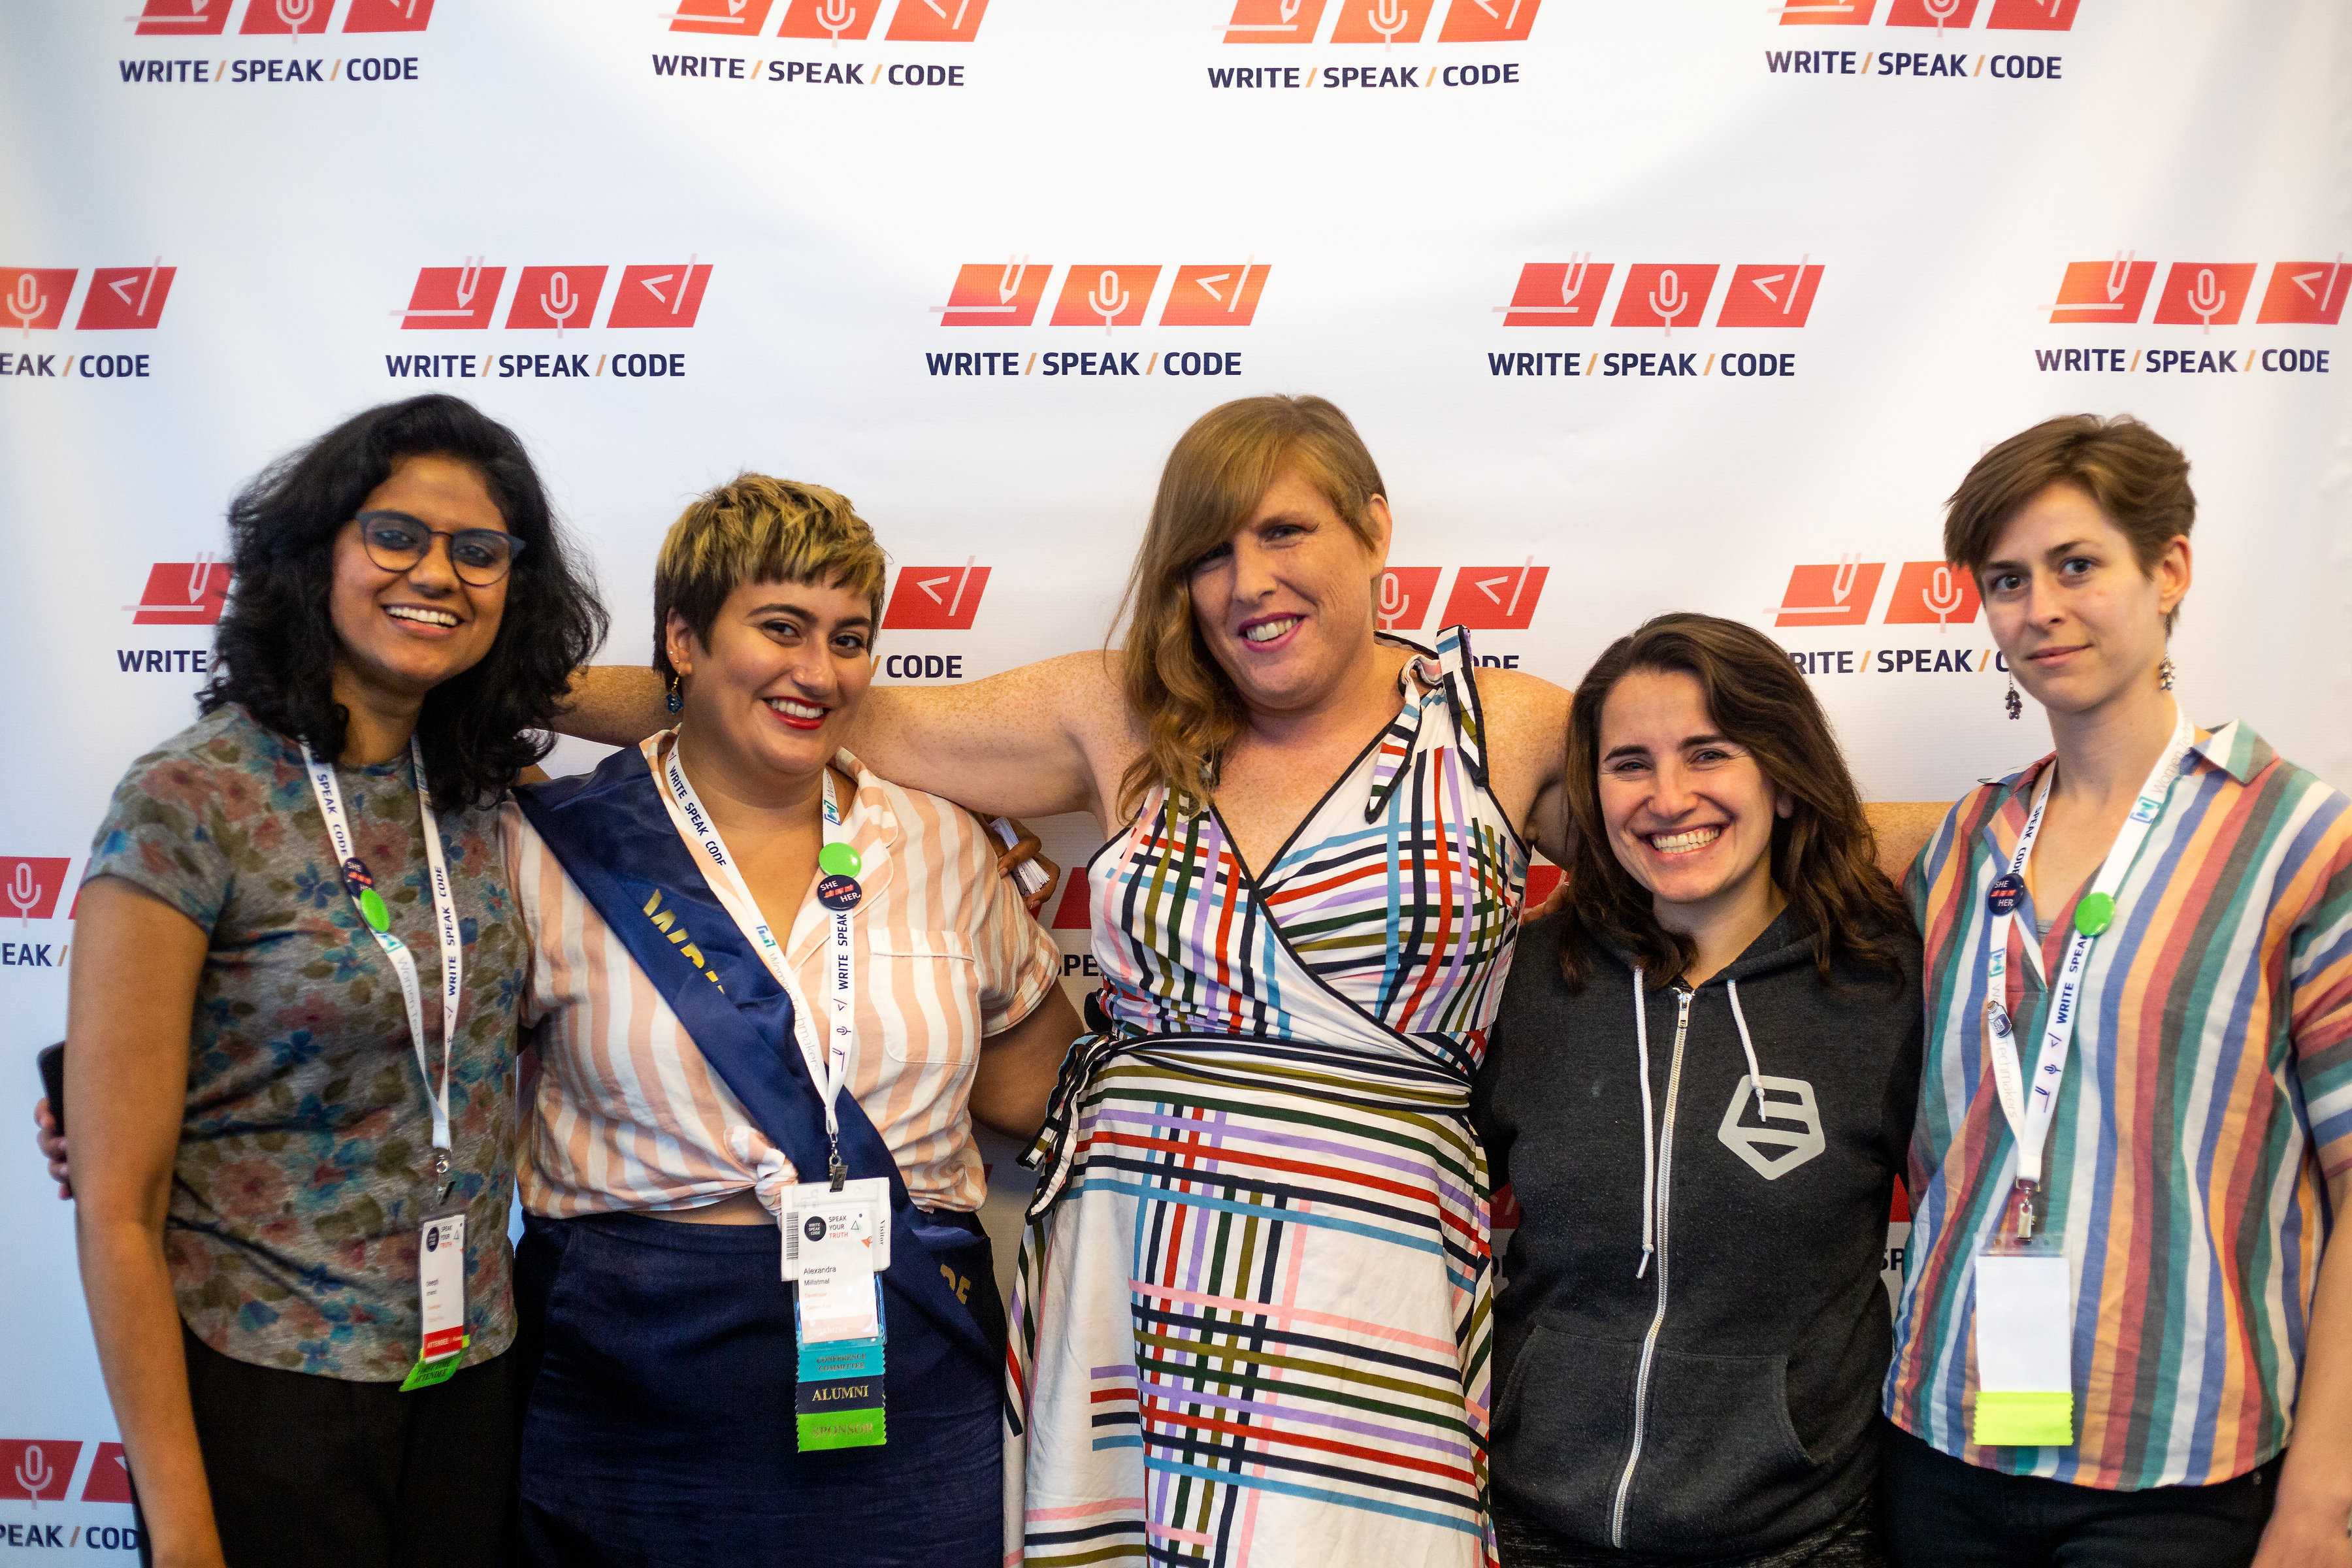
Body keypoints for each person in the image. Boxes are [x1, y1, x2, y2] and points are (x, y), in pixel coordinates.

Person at [557, 394, 1944, 1565]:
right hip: (1129, 1269)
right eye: (1212, 550)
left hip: (1376, 1288)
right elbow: (807, 707)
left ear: (1375, 533)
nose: (1248, 579)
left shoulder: (1498, 723)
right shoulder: (1122, 713)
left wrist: (2050, 822)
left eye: (1286, 531)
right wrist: (519, 688)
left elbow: (1724, 809)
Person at [63, 393, 606, 1568]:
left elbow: (696, 698)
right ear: (316, 556)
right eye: (396, 535)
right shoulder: (191, 801)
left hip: (471, 1373)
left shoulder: (472, 791)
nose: (439, 575)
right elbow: (114, 1210)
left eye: (481, 554)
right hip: (266, 1388)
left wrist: (522, 667)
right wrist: (184, 1532)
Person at [504, 474, 1083, 1567]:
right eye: (781, 628)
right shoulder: (555, 848)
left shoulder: (946, 846)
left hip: (900, 1349)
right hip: (630, 1366)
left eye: (850, 636)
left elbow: (1032, 1093)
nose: (819, 672)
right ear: (683, 638)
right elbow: (435, 1081)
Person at [1881, 415, 2352, 1567]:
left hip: (2182, 1470)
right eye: (2006, 580)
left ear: (2170, 569)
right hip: (1942, 1441)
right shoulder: (1962, 847)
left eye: (2075, 565)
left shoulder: (2301, 840)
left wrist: (2321, 1508)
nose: (2039, 607)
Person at [1475, 613, 1921, 1567]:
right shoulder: (1529, 977)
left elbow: (1999, 1225)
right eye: (1630, 762)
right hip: (1534, 1528)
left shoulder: (1882, 986)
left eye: (1708, 753)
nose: (1669, 797)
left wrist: (2027, 1426)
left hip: (1800, 1538)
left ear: (1784, 778)